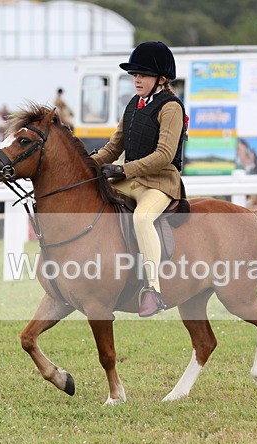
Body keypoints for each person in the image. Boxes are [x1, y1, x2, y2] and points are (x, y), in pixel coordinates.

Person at [90, 41, 187, 317]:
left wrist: (123, 170)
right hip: (130, 178)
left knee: (142, 218)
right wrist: (86, 165)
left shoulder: (171, 108)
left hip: (159, 183)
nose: (136, 79)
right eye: (134, 74)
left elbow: (164, 155)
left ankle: (153, 290)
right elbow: (113, 147)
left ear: (161, 79)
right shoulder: (133, 104)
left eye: (142, 74)